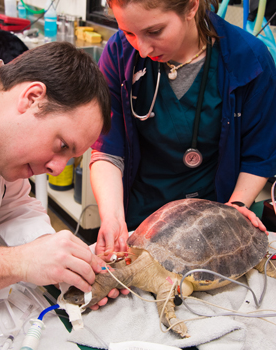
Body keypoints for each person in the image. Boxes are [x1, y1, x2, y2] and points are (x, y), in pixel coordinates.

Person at [90, 0, 276, 257]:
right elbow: (108, 149)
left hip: (212, 223)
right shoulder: (120, 54)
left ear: (191, 7)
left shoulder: (248, 60)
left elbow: (258, 156)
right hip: (141, 218)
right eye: (129, 33)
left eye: (154, 31)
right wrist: (112, 218)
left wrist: (234, 210)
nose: (142, 49)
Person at [0, 41, 125, 321]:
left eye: (71, 158)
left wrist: (60, 261)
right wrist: (21, 262)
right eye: (62, 145)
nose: (56, 168)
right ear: (32, 97)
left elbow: (14, 206)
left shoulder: (2, 140)